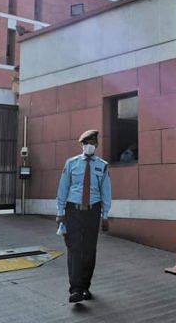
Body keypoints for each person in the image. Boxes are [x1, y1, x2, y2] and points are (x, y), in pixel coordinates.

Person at [56, 129, 112, 303]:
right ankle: (75, 290)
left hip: (92, 211)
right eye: (86, 143)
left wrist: (105, 216)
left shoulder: (102, 165)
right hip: (73, 211)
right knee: (74, 249)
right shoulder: (71, 163)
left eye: (93, 144)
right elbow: (63, 188)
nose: (90, 146)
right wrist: (60, 213)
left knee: (89, 251)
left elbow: (106, 192)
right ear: (82, 145)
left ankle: (85, 287)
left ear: (96, 145)